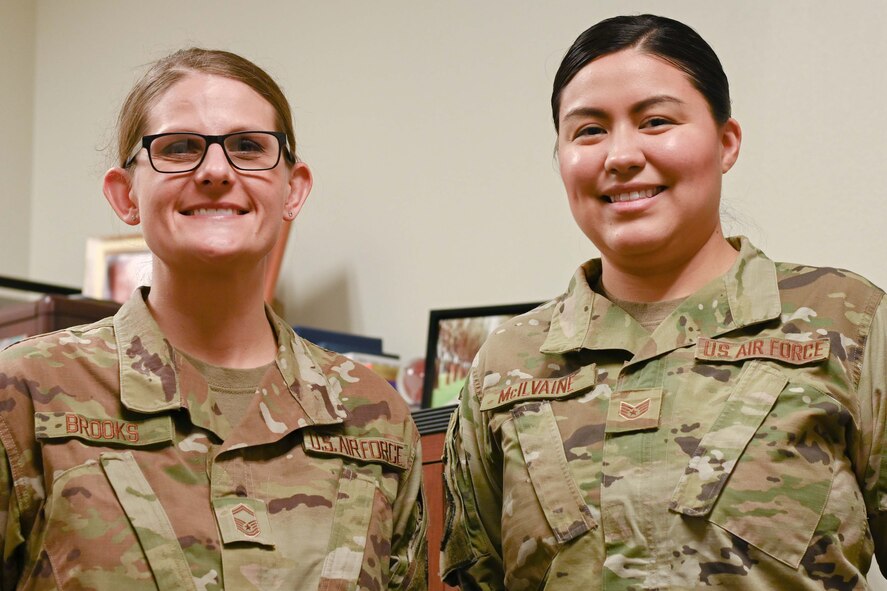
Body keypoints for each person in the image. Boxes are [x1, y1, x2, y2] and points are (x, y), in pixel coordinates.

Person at [441, 14, 886, 590]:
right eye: (589, 131)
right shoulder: (506, 365)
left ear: (726, 143)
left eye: (656, 121)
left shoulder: (849, 322)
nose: (621, 155)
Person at [0, 48, 426, 590]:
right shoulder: (28, 393)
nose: (216, 171)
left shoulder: (374, 417)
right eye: (179, 148)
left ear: (293, 189)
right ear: (125, 195)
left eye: (248, 146)